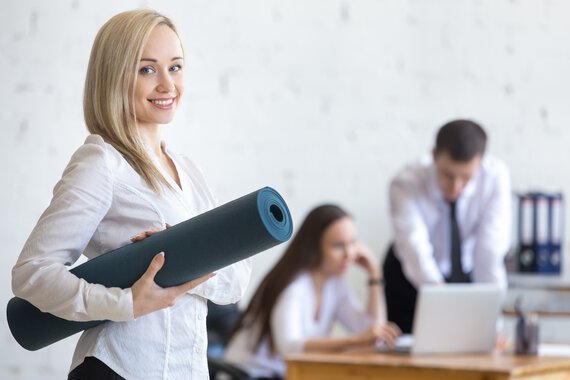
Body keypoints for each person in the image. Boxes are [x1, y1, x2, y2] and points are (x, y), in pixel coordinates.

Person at [11, 9, 251, 379]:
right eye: (147, 69)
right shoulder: (102, 162)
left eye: (175, 67)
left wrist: (185, 258)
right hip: (118, 368)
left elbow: (237, 280)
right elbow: (32, 274)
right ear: (115, 75)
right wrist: (125, 303)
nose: (167, 86)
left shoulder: (189, 171)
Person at [224, 205, 401, 379]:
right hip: (249, 374)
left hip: (287, 374)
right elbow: (290, 347)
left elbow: (372, 333)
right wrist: (356, 340)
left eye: (353, 243)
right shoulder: (294, 286)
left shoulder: (336, 285)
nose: (350, 254)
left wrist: (375, 274)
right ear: (315, 247)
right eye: (339, 245)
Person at [383, 119, 511, 333]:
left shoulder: (495, 177)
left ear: (481, 162)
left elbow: (489, 252)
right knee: (407, 348)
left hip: (466, 271)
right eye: (448, 175)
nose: (456, 186)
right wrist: (442, 303)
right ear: (434, 156)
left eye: (466, 177)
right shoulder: (405, 182)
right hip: (411, 274)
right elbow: (414, 247)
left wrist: (492, 320)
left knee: (475, 342)